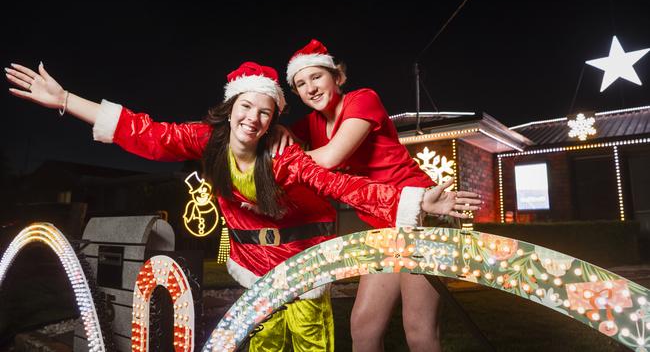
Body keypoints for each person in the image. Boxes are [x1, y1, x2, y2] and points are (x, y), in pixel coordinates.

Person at [6, 61, 480, 352]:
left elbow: (338, 183)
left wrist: (412, 199)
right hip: (252, 264)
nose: (253, 119)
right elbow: (144, 132)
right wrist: (66, 99)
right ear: (231, 106)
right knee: (265, 343)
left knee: (315, 340)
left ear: (274, 118)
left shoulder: (284, 152)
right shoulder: (205, 140)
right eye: (246, 107)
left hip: (303, 261)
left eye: (266, 111)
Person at [283, 39, 467, 352]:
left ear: (337, 77)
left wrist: (285, 160)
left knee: (419, 331)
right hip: (383, 227)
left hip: (422, 215)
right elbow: (271, 139)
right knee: (364, 329)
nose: (310, 88)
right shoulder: (310, 124)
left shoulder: (362, 99)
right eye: (301, 83)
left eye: (316, 77)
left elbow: (329, 158)